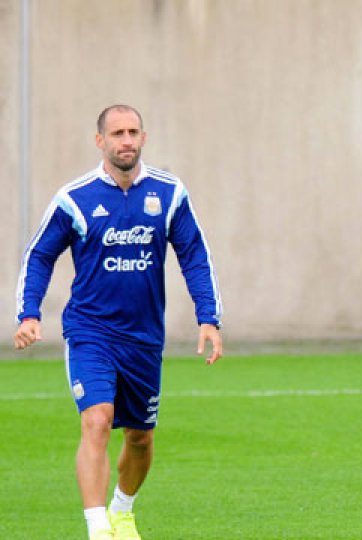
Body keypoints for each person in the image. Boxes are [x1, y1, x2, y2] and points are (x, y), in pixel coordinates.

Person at [14, 104, 223, 540]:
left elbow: (195, 256)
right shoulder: (76, 198)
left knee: (140, 439)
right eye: (116, 133)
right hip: (90, 331)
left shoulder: (169, 193)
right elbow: (39, 256)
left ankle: (123, 510)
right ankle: (97, 529)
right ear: (100, 142)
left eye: (132, 132)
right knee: (97, 419)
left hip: (145, 338)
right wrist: (29, 313)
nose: (125, 140)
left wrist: (209, 317)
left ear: (143, 138)